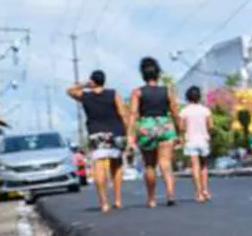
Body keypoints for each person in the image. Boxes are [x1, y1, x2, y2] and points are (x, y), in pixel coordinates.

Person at [67, 70, 129, 213]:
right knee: (117, 165)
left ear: (92, 81)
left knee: (99, 166)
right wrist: (127, 133)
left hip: (96, 134)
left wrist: (84, 84)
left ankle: (104, 203)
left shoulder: (86, 96)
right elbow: (122, 113)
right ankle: (118, 200)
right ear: (104, 81)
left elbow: (69, 91)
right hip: (116, 132)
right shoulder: (113, 94)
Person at [128, 57, 180, 208]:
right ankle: (170, 194)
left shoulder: (137, 93)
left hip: (146, 127)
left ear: (143, 74)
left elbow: (132, 114)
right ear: (158, 73)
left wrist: (131, 136)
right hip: (165, 126)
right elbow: (175, 112)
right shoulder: (167, 91)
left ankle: (151, 199)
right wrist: (180, 131)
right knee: (166, 163)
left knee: (149, 165)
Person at [178, 86, 214, 203]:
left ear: (187, 97)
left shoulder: (184, 111)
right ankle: (206, 190)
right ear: (199, 97)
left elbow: (181, 127)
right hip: (203, 140)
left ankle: (198, 193)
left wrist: (182, 136)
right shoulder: (205, 110)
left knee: (195, 166)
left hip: (190, 140)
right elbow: (211, 126)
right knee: (204, 166)